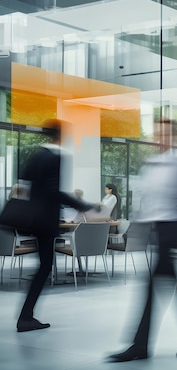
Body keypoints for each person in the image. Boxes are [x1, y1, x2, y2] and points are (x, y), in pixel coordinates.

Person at [108, 118, 177, 362]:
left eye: (165, 133)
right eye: (157, 133)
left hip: (175, 234)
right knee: (172, 287)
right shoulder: (152, 164)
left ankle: (141, 345)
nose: (160, 137)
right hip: (160, 232)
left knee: (153, 287)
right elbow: (148, 200)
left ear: (174, 136)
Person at [16, 120, 95, 332]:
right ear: (61, 135)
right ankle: (25, 317)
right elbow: (54, 192)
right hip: (45, 221)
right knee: (44, 266)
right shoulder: (56, 158)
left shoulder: (35, 156)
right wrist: (82, 204)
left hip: (32, 220)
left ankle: (26, 315)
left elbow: (23, 186)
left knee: (43, 266)